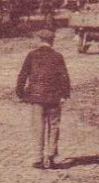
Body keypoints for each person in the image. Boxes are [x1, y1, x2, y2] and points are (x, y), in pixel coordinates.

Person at [15, 28, 72, 169]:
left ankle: (38, 158)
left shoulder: (32, 55)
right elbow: (64, 77)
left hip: (36, 97)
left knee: (38, 127)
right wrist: (64, 94)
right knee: (53, 126)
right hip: (54, 97)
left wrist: (20, 93)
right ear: (52, 41)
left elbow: (22, 75)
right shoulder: (58, 56)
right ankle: (51, 156)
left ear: (39, 40)